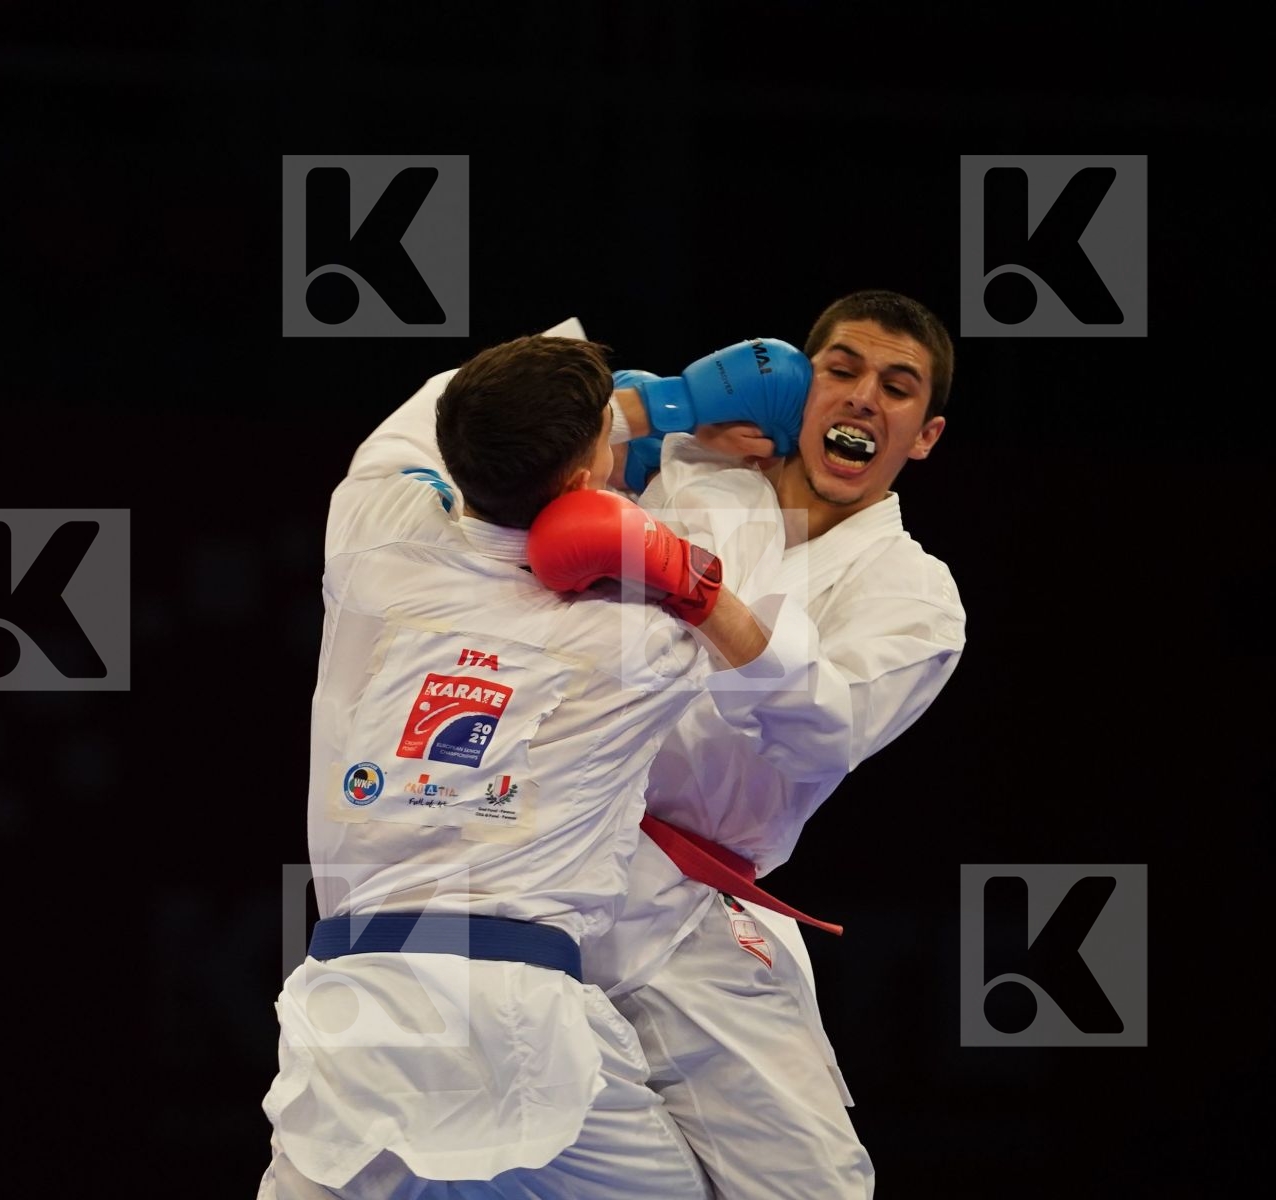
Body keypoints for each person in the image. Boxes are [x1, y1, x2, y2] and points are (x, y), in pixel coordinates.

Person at [258, 320, 843, 1198]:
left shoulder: (374, 538)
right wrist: (701, 553)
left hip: (352, 1012)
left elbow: (417, 422)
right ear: (582, 478)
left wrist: (649, 402)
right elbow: (808, 712)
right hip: (519, 1025)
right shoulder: (633, 636)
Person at [575, 290, 966, 1198]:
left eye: (897, 387)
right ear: (802, 388)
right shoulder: (688, 471)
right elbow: (491, 449)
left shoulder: (915, 597)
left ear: (925, 436)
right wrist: (652, 409)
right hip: (550, 852)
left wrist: (702, 597)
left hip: (686, 909)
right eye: (842, 370)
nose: (865, 397)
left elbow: (823, 729)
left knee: (816, 1188)